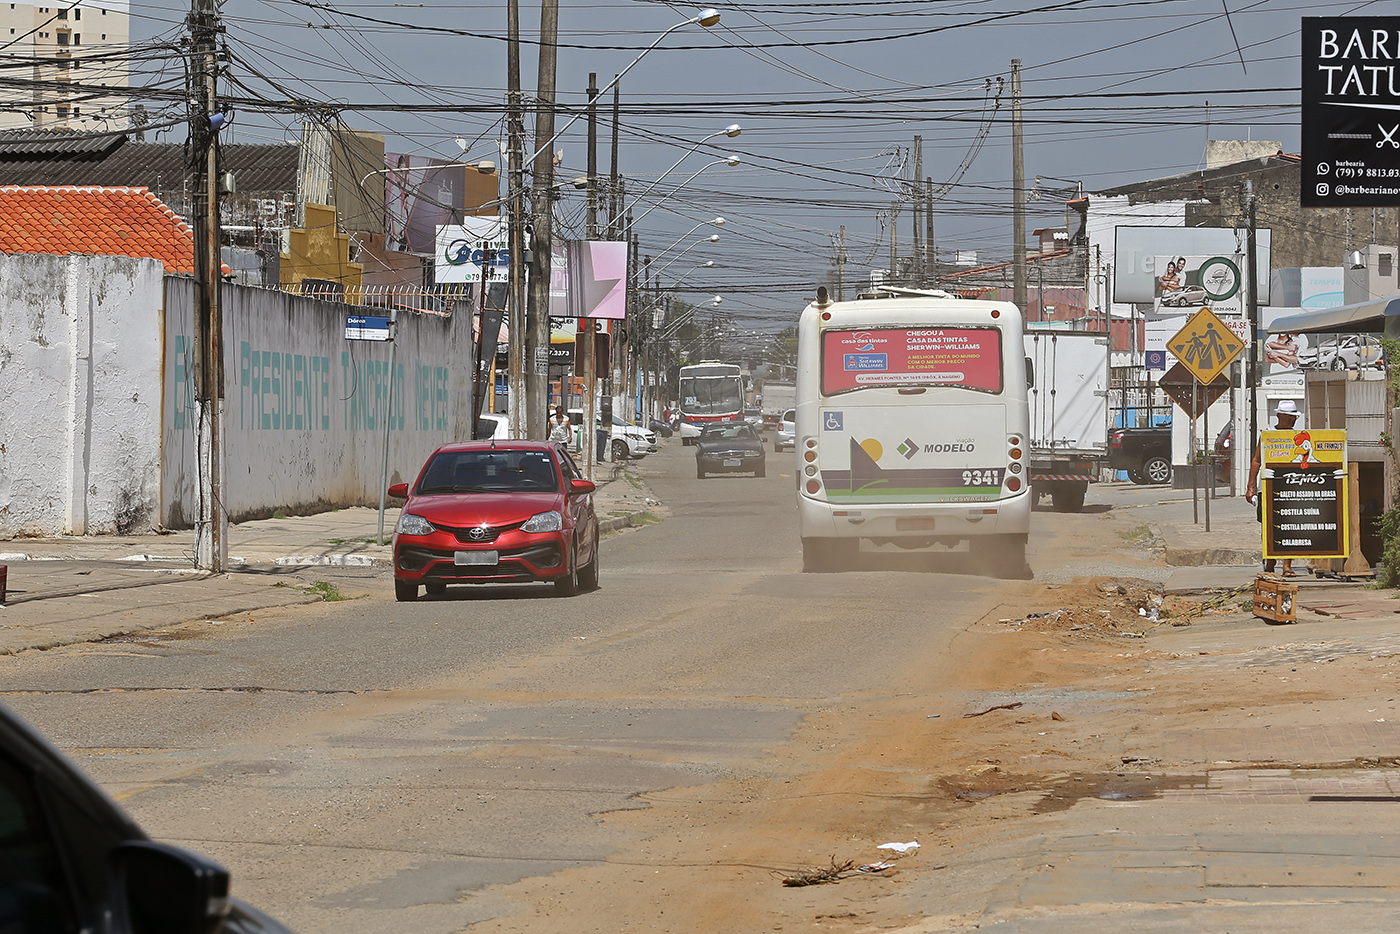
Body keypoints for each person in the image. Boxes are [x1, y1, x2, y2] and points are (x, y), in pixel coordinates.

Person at [1246, 399, 1300, 577]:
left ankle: (1287, 564)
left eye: (1294, 416)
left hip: (1290, 487)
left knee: (1290, 525)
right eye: (1289, 416)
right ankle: (1270, 560)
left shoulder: (1298, 436)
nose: (1293, 420)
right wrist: (1250, 487)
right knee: (1268, 525)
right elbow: (1257, 460)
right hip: (1267, 488)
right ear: (1280, 416)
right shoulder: (1268, 434)